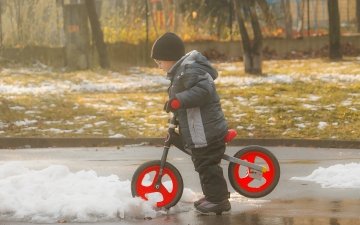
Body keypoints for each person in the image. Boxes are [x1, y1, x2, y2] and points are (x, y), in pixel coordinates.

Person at [150, 32, 231, 214]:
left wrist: (178, 101)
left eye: (160, 62)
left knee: (206, 164)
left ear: (170, 58)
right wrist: (177, 109)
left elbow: (204, 90)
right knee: (201, 163)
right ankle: (212, 195)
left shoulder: (190, 69)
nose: (159, 66)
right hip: (199, 129)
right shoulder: (180, 72)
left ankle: (219, 200)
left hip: (207, 130)